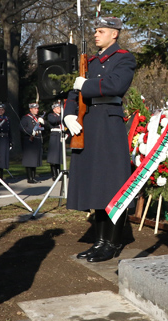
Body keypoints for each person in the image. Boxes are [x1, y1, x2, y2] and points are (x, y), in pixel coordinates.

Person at [64, 16, 136, 262]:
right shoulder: (90, 62)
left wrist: (87, 85)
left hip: (108, 124)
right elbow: (73, 93)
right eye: (95, 30)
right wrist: (69, 115)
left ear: (114, 34)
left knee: (112, 187)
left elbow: (116, 85)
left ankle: (112, 243)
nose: (96, 34)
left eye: (101, 30)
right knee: (95, 186)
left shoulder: (124, 58)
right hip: (88, 125)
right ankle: (100, 241)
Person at [20, 102, 44, 183]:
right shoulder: (26, 118)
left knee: (34, 160)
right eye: (35, 108)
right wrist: (31, 132)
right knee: (29, 160)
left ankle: (33, 177)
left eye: (37, 108)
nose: (36, 110)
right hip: (30, 141)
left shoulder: (37, 118)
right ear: (31, 109)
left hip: (37, 139)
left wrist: (43, 123)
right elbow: (22, 128)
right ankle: (30, 178)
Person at [45, 100, 65, 181]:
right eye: (57, 108)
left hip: (60, 135)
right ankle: (54, 175)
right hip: (55, 136)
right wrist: (63, 116)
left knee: (59, 156)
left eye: (59, 108)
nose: (59, 109)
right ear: (54, 109)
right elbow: (53, 121)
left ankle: (59, 173)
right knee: (53, 156)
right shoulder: (51, 115)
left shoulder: (60, 116)